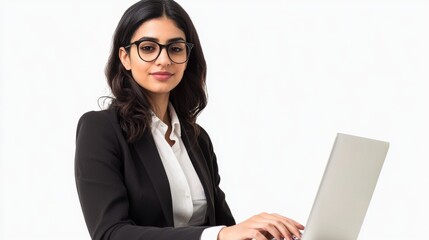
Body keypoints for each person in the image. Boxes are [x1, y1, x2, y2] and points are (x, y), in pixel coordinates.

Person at [74, 0, 304, 239]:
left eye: (175, 48)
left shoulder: (197, 139)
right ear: (125, 57)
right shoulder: (100, 130)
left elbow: (224, 228)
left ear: (187, 57)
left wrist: (263, 232)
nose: (163, 60)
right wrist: (214, 236)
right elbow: (110, 233)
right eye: (148, 48)